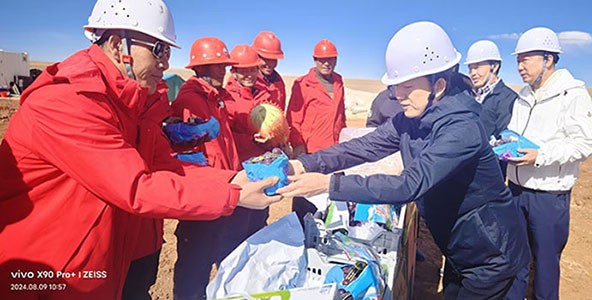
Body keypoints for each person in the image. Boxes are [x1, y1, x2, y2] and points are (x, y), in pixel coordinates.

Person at [0, 1, 280, 299]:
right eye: (159, 50)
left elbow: (167, 166)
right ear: (119, 44)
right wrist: (233, 196)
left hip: (100, 265)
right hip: (48, 275)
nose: (165, 63)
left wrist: (233, 180)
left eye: (169, 52)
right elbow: (135, 187)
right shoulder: (69, 100)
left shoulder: (132, 104)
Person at [277, 21, 530, 299]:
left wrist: (329, 185)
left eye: (407, 87)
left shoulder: (462, 128)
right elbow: (364, 146)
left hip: (491, 253)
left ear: (440, 85)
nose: (399, 96)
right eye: (396, 87)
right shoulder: (412, 118)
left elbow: (409, 184)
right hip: (460, 246)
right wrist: (306, 164)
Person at [505, 27, 592, 300]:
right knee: (515, 259)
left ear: (548, 59)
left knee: (544, 266)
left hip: (549, 197)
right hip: (516, 190)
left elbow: (584, 144)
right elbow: (515, 133)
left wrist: (540, 156)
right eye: (518, 60)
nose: (520, 66)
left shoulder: (573, 94)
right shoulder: (523, 96)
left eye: (526, 59)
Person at [169, 36, 247, 300]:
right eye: (217, 65)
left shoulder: (215, 98)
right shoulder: (189, 101)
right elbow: (185, 159)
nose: (223, 70)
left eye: (223, 65)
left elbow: (224, 146)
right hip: (202, 203)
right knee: (194, 268)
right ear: (201, 67)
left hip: (222, 194)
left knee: (219, 258)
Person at [286, 39, 346, 224]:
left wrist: (344, 139)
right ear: (314, 60)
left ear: (335, 60)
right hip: (310, 151)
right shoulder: (302, 84)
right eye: (321, 59)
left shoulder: (338, 82)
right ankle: (301, 233)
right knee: (305, 197)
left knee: (331, 196)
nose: (326, 63)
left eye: (330, 59)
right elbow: (293, 117)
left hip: (334, 149)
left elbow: (341, 114)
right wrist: (298, 145)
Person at [465, 40, 517, 178]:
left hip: (488, 175)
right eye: (470, 68)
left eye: (477, 67)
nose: (472, 73)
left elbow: (504, 141)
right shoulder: (470, 96)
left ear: (494, 66)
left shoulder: (508, 99)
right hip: (466, 170)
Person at [252, 31, 287, 110]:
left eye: (273, 59)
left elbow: (281, 109)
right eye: (266, 59)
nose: (270, 64)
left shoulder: (278, 82)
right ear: (256, 56)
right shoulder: (244, 79)